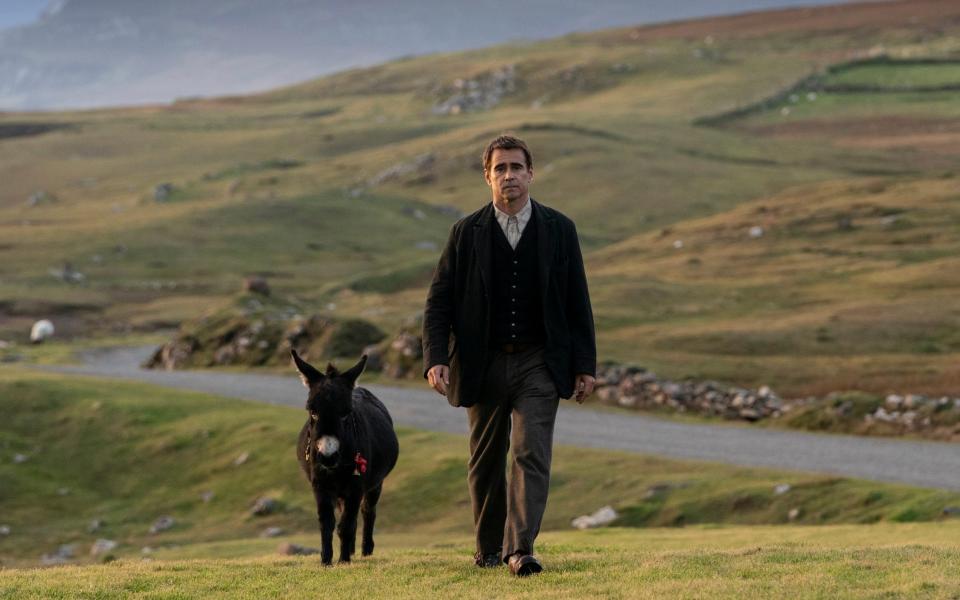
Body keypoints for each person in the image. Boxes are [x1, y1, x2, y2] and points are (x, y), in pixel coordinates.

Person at [422, 134, 596, 577]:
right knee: (485, 461)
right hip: (483, 363)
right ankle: (487, 549)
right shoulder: (465, 232)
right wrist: (435, 357)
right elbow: (439, 301)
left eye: (516, 167)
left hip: (540, 361)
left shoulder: (560, 229)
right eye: (500, 169)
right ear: (487, 177)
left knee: (529, 453)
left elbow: (578, 301)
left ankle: (520, 549)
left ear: (531, 174)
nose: (509, 176)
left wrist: (584, 366)